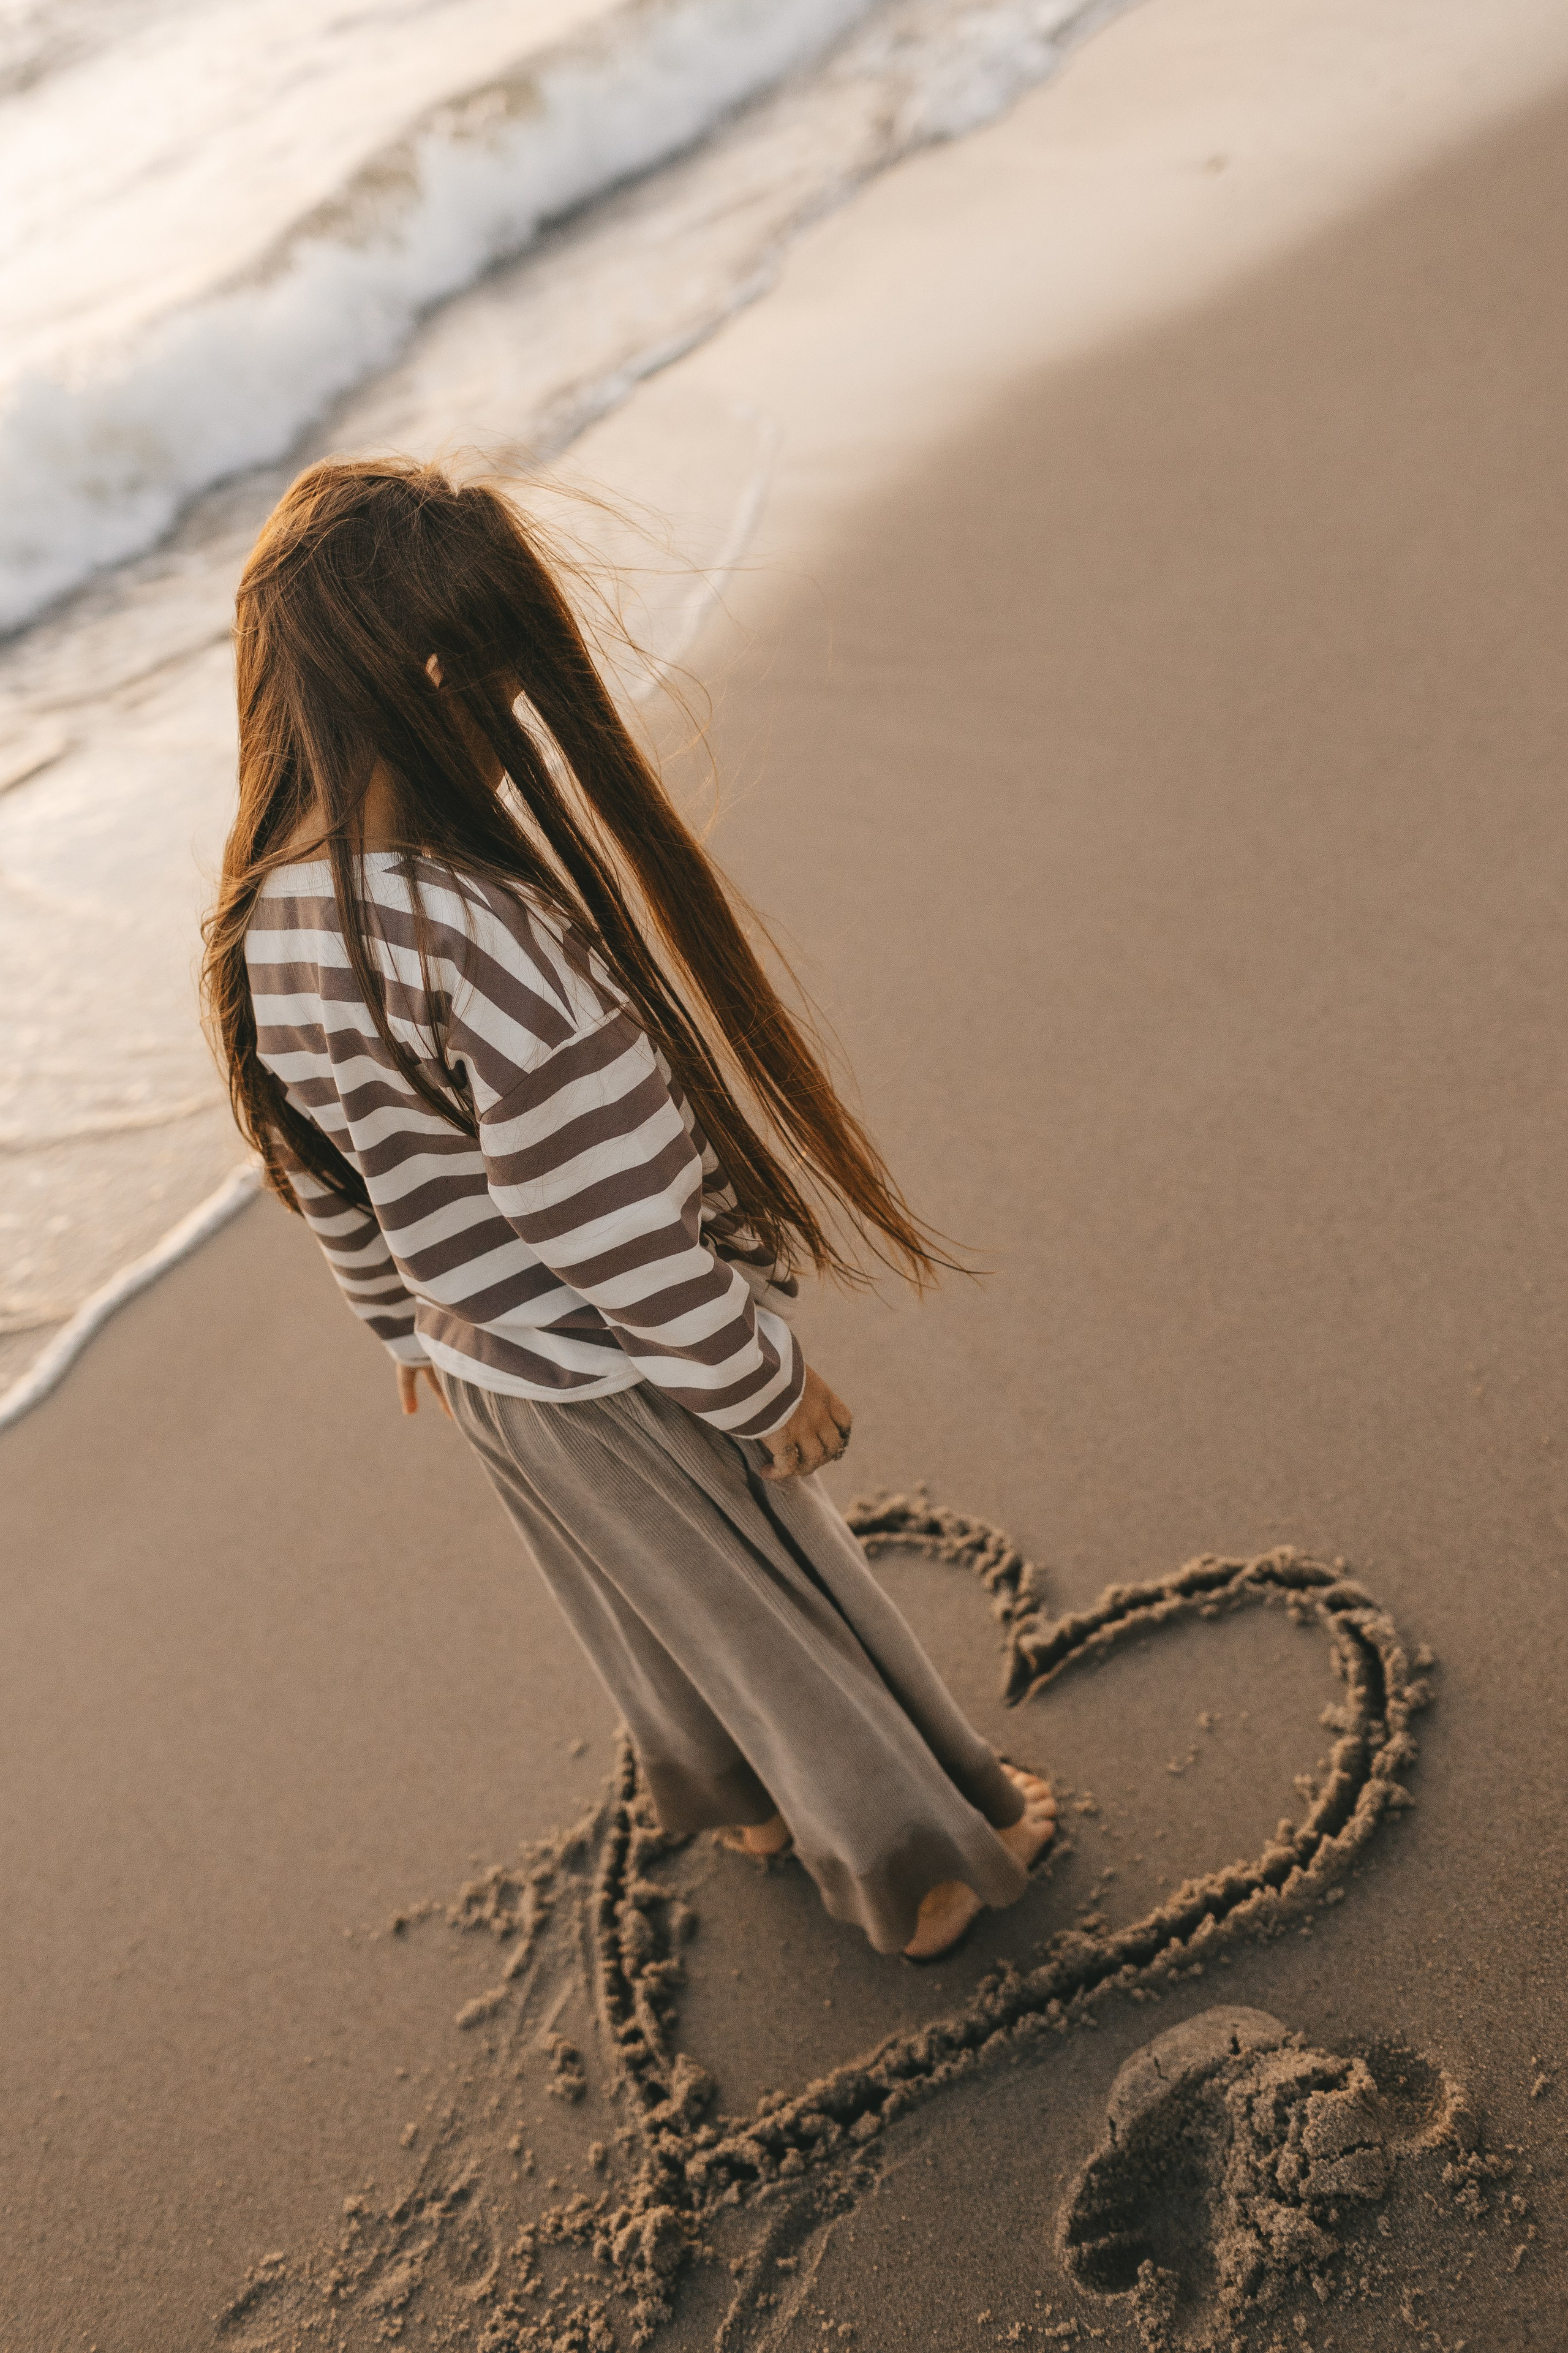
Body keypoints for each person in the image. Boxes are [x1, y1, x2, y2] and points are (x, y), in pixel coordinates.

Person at [202, 456, 1055, 1962]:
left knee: (644, 1604)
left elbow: (326, 1170)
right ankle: (913, 1867)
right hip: (614, 1365)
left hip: (485, 1368)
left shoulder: (265, 919)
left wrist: (401, 1319)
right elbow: (596, 1219)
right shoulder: (483, 933)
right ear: (452, 681)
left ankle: (729, 1792)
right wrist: (753, 1374)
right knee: (762, 1600)